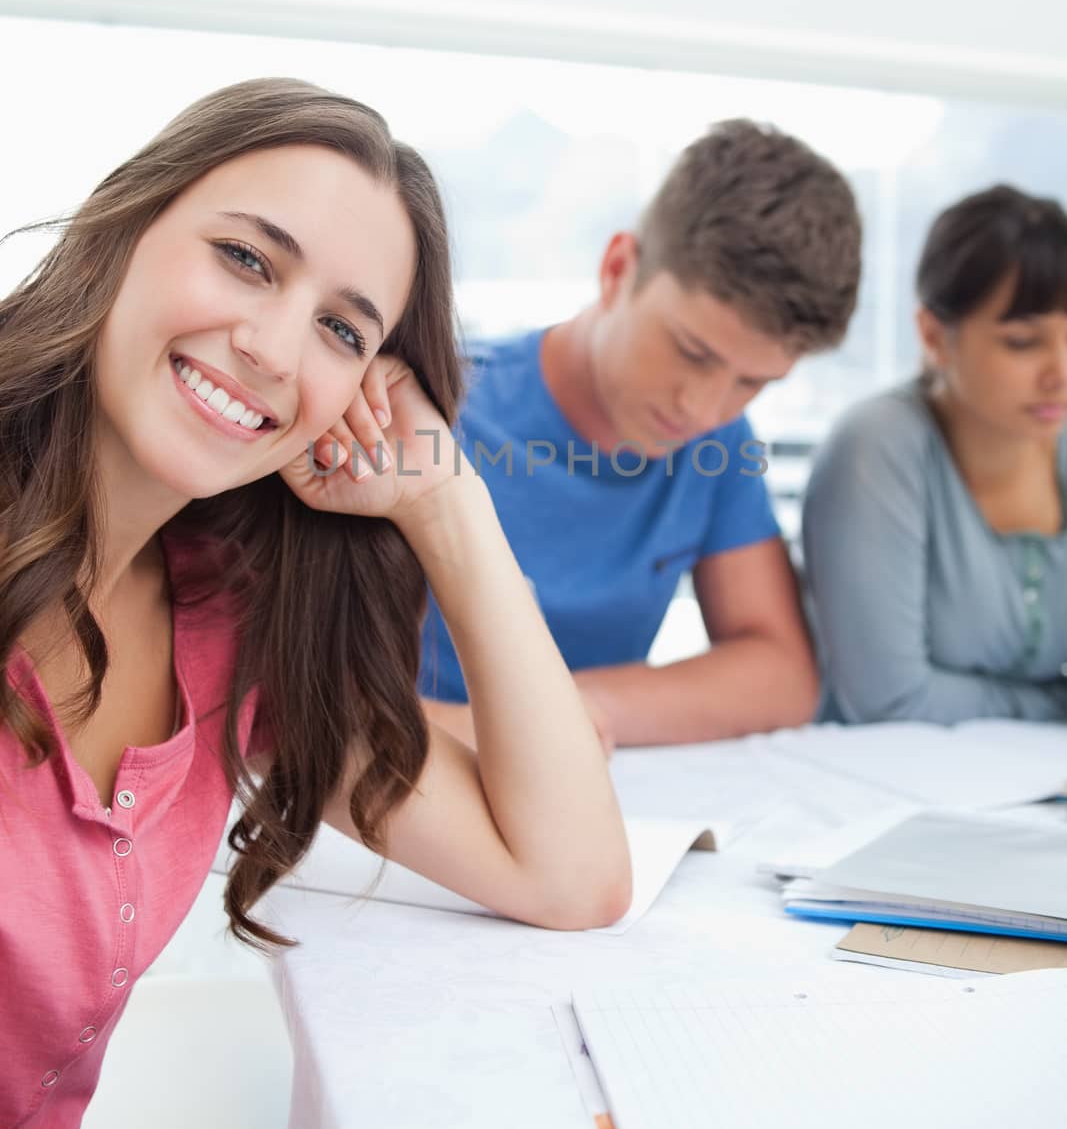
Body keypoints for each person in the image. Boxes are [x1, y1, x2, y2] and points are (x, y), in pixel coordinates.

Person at [0, 79, 631, 1129]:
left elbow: (568, 876)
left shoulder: (229, 631)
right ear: (125, 227)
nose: (273, 348)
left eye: (344, 329)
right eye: (246, 259)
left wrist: (449, 505)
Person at [420, 119, 863, 748]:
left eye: (754, 381)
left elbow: (781, 673)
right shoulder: (437, 410)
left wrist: (563, 719)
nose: (704, 407)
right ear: (618, 268)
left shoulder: (720, 444)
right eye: (692, 351)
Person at [803, 183, 1067, 725]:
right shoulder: (877, 447)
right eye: (1023, 342)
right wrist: (1053, 707)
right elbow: (888, 701)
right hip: (879, 781)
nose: (1060, 373)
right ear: (934, 335)